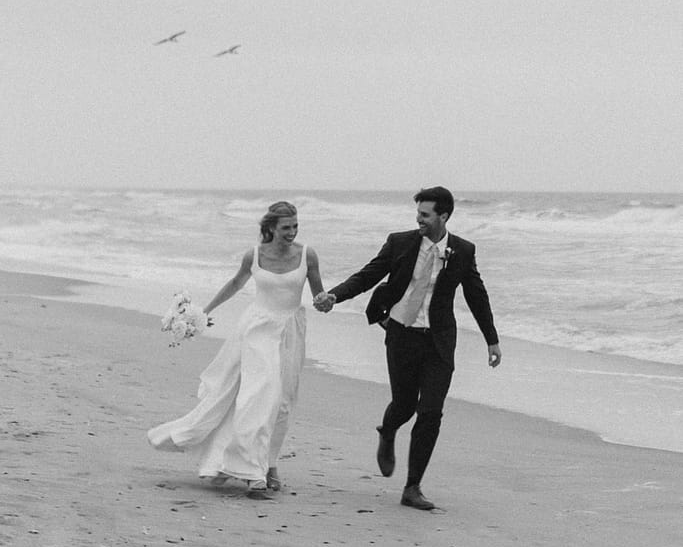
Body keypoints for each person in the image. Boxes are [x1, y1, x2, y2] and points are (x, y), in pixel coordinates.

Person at [314, 186, 501, 511]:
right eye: (418, 215)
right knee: (404, 406)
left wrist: (492, 339)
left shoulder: (464, 250)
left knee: (430, 412)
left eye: (425, 216)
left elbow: (476, 295)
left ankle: (412, 487)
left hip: (439, 341)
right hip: (402, 335)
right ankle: (387, 432)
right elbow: (367, 276)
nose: (419, 221)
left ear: (443, 216)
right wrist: (334, 295)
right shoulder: (400, 242)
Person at [148, 201, 326, 499]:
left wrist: (326, 300)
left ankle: (270, 465)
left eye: (296, 226)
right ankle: (252, 473)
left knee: (282, 402)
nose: (292, 232)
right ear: (270, 228)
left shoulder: (307, 255)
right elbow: (235, 283)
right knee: (259, 393)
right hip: (257, 330)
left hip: (291, 331)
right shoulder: (253, 256)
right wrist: (203, 313)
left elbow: (319, 293)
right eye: (286, 228)